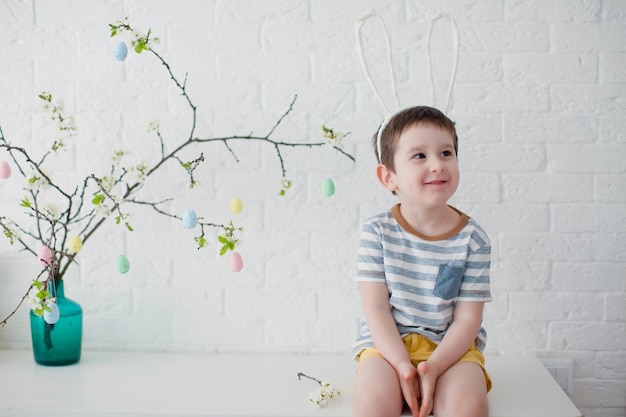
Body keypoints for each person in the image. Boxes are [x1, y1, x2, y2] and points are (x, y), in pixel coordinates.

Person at [353, 106, 492, 417]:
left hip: (451, 348)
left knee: (469, 408)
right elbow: (376, 309)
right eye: (419, 156)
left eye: (446, 153)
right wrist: (402, 365)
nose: (437, 165)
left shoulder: (473, 239)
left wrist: (436, 365)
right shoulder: (376, 232)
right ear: (388, 177)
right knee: (372, 405)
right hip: (387, 344)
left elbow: (468, 320)